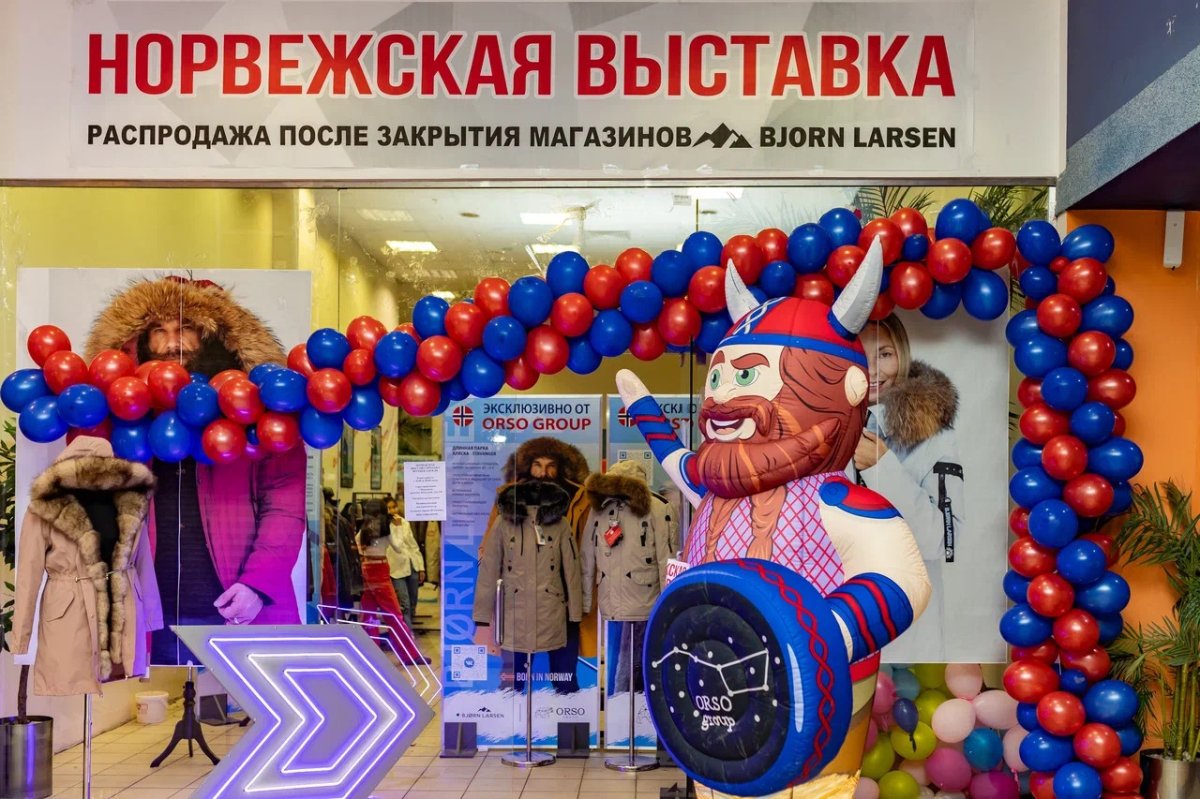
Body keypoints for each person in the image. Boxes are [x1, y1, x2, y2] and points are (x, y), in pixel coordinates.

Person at [84, 276, 307, 666]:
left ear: (213, 335)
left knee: (241, 706)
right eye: (159, 330)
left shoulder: (258, 409)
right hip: (147, 613)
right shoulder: (117, 413)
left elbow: (285, 505)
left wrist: (258, 585)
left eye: (186, 327)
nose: (173, 343)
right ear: (140, 340)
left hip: (239, 607)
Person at [853, 313, 964, 660]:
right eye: (860, 353)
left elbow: (943, 541)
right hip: (840, 621)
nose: (873, 369)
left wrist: (882, 468)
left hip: (908, 632)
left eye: (884, 354)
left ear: (901, 354)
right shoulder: (818, 429)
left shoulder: (934, 436)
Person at [476, 437, 592, 694]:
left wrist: (576, 611)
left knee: (564, 676)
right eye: (537, 464)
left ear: (561, 467)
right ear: (527, 465)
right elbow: (489, 563)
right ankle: (512, 713)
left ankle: (566, 714)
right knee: (512, 676)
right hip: (514, 606)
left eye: (551, 465)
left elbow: (577, 564)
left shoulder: (575, 504)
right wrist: (483, 615)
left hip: (556, 605)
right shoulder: (505, 511)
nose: (543, 473)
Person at [385, 494, 425, 628]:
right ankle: (407, 632)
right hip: (396, 569)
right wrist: (397, 527)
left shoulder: (405, 522)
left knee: (413, 601)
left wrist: (421, 567)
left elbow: (413, 545)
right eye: (389, 508)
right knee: (404, 603)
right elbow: (397, 545)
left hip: (411, 565)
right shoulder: (385, 526)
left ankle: (408, 626)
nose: (393, 510)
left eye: (394, 507)